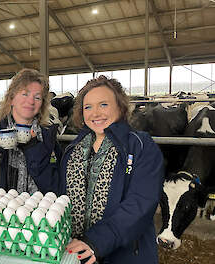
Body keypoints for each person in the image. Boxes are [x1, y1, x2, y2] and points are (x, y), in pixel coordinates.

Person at [59, 76, 163, 264]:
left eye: (103, 104)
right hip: (77, 253)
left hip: (125, 256)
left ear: (120, 107)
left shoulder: (140, 145)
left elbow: (141, 203)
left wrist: (95, 241)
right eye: (88, 107)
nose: (95, 113)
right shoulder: (72, 150)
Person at [0, 68, 61, 200]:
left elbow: (55, 188)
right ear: (11, 99)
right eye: (25, 94)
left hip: (40, 218)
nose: (31, 101)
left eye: (37, 97)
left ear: (42, 105)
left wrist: (33, 148)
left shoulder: (48, 138)